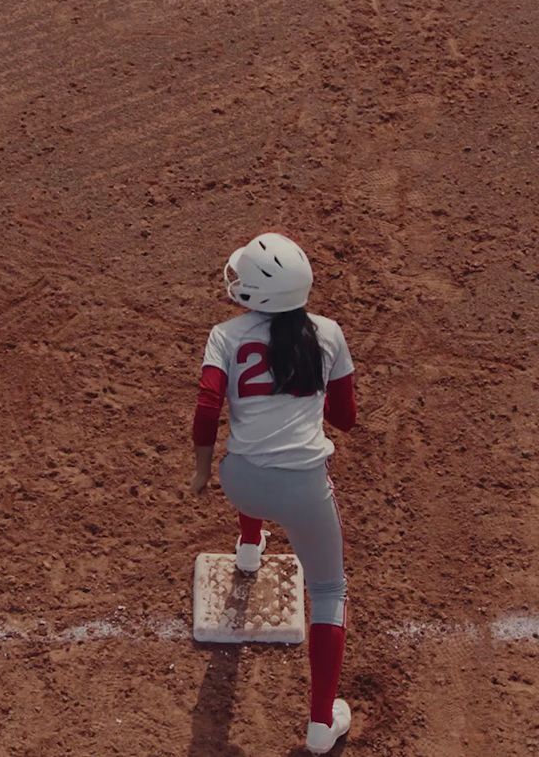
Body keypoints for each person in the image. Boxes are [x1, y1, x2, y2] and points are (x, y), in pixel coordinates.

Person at [188, 232, 359, 754]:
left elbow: (207, 410)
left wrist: (201, 472)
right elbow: (345, 420)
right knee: (329, 592)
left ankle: (248, 549)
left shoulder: (225, 335)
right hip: (304, 492)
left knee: (248, 460)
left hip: (241, 483)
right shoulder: (328, 334)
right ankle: (319, 726)